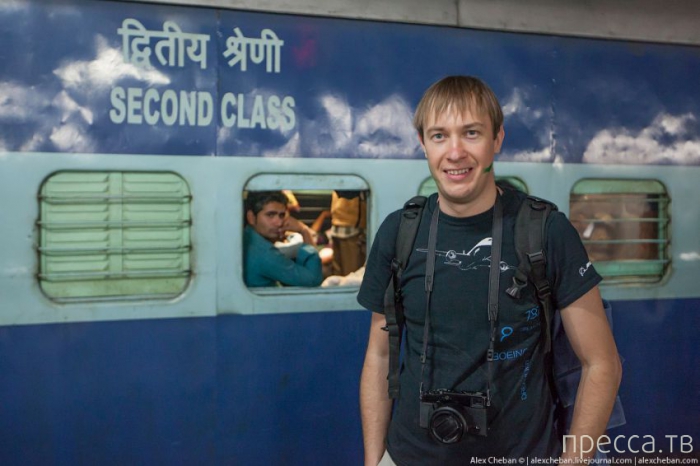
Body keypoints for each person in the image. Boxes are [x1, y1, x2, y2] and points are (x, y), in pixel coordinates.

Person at [358, 76, 621, 465]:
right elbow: (379, 356)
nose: (455, 152)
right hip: (409, 455)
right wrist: (373, 460)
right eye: (439, 136)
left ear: (497, 139)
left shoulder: (545, 232)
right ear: (423, 144)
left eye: (471, 133)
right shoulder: (400, 232)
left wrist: (573, 461)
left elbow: (601, 363)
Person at [244, 190, 323, 287]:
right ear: (251, 217)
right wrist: (304, 230)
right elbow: (313, 281)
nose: (279, 223)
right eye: (270, 215)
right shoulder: (265, 253)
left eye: (281, 215)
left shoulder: (248, 236)